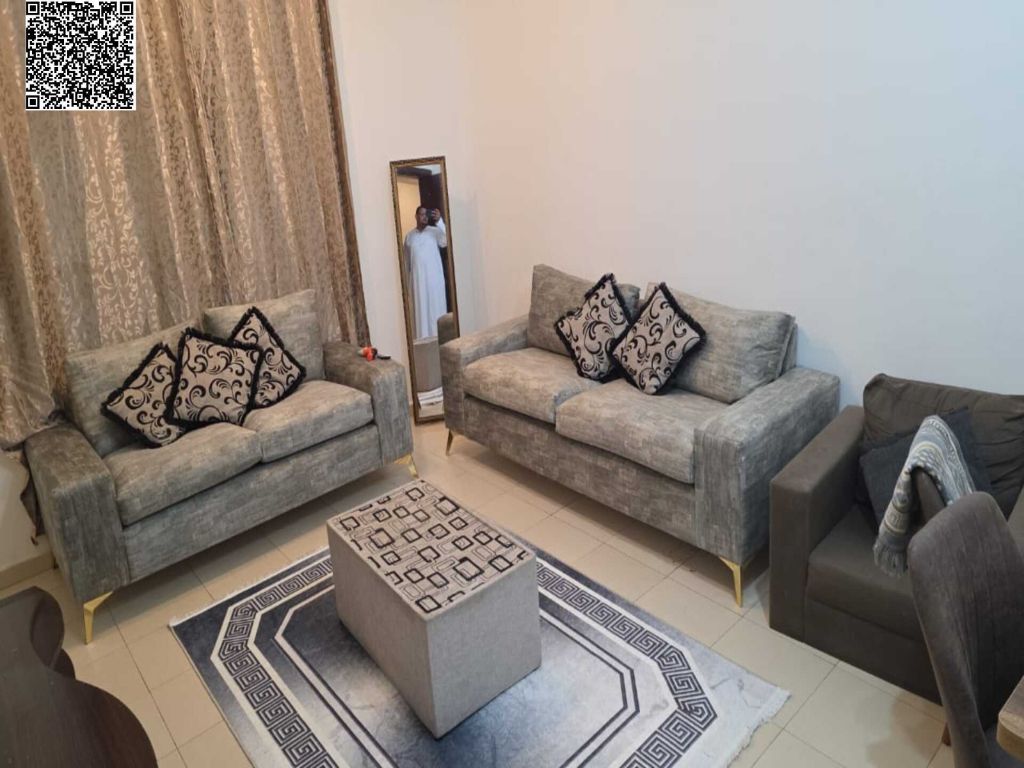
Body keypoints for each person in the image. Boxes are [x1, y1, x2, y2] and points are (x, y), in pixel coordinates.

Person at [404, 205, 448, 338]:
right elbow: (406, 262)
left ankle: (438, 338)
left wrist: (439, 221)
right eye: (422, 214)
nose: (424, 217)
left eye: (426, 214)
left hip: (434, 281)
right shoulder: (409, 237)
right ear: (416, 216)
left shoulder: (435, 232)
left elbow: (446, 241)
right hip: (418, 282)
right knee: (421, 310)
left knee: (435, 309)